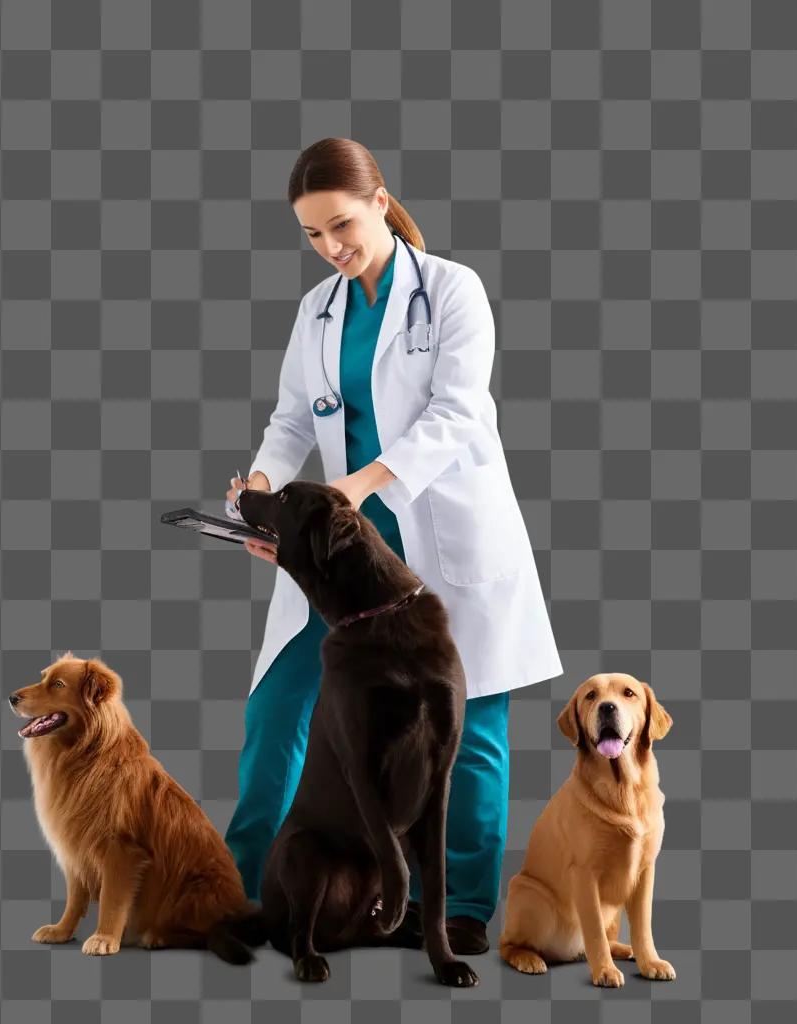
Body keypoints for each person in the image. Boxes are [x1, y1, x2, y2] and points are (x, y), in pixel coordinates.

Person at [223, 138, 563, 955]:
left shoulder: (452, 290)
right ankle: (245, 889)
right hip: (341, 555)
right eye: (311, 235)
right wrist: (261, 491)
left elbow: (460, 412)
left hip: (436, 540)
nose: (330, 247)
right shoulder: (318, 310)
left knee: (468, 724)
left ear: (381, 202)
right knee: (277, 708)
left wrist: (360, 484)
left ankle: (461, 909)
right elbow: (294, 417)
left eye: (340, 224)